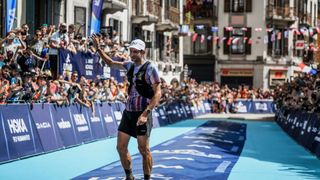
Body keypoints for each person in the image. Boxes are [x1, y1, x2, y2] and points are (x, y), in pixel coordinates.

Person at [92, 35, 161, 180]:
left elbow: (157, 93)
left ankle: (147, 178)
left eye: (136, 51)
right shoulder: (129, 65)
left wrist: (146, 113)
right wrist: (98, 48)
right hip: (128, 113)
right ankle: (129, 176)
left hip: (142, 113)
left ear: (143, 52)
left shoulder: (150, 68)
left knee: (143, 149)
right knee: (121, 148)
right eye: (131, 51)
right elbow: (110, 63)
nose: (133, 54)